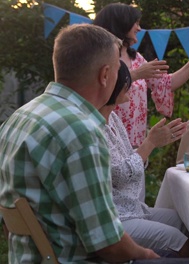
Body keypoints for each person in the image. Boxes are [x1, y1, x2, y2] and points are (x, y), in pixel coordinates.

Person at [0, 25, 159, 262]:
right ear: (105, 75)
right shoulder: (81, 131)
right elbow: (109, 245)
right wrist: (149, 255)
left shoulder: (20, 117)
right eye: (117, 69)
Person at [94, 3, 189, 148]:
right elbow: (100, 88)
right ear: (121, 24)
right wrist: (136, 74)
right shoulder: (101, 56)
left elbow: (166, 83)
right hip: (107, 141)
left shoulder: (136, 58)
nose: (139, 28)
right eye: (135, 23)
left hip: (136, 144)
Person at [101, 61, 189, 257]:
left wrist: (152, 144)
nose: (132, 84)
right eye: (127, 79)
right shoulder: (95, 124)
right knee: (179, 240)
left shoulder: (113, 118)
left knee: (188, 221)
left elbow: (129, 158)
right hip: (117, 216)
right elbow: (118, 176)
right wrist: (149, 144)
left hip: (132, 208)